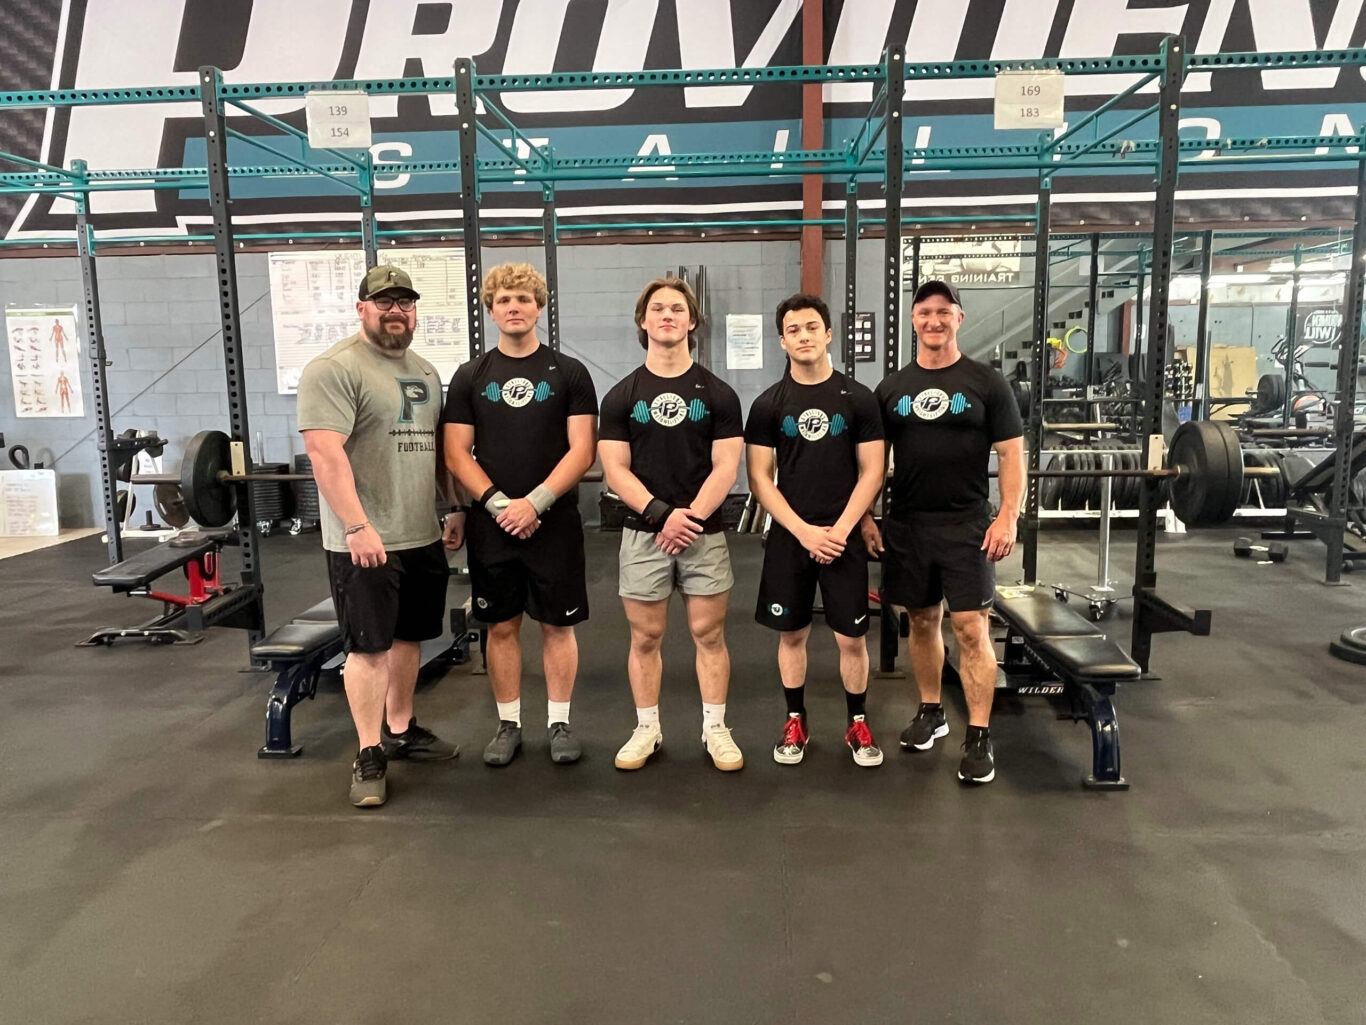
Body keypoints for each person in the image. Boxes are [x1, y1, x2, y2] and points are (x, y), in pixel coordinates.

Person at [297, 264, 463, 808]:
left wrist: (452, 507)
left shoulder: (425, 370)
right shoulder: (334, 369)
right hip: (365, 539)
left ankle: (401, 727)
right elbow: (325, 455)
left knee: (411, 637)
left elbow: (437, 452)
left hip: (420, 532)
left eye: (405, 303)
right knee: (367, 648)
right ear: (362, 308)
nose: (396, 311)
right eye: (385, 302)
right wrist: (357, 524)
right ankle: (368, 751)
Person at [863, 280, 1024, 785]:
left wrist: (1008, 515)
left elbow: (1012, 454)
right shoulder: (891, 389)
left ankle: (978, 735)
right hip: (909, 524)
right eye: (924, 312)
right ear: (913, 321)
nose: (934, 320)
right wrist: (868, 517)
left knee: (971, 628)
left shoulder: (987, 382)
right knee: (921, 621)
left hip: (967, 524)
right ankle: (931, 712)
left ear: (959, 317)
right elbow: (871, 463)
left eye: (944, 312)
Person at [442, 262, 598, 767]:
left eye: (524, 299)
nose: (514, 307)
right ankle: (508, 723)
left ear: (539, 307)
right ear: (490, 310)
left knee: (557, 625)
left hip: (553, 521)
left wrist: (536, 502)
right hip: (495, 524)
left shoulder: (569, 373)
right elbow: (456, 452)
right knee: (501, 626)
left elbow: (582, 449)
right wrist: (499, 504)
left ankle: (559, 722)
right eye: (504, 299)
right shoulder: (470, 376)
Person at [599, 277, 745, 772]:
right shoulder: (622, 395)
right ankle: (647, 729)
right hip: (645, 532)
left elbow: (727, 466)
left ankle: (716, 728)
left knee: (709, 632)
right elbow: (615, 468)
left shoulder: (719, 393)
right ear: (643, 322)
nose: (667, 315)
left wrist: (691, 518)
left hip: (703, 533)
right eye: (657, 308)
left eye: (677, 309)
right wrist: (662, 515)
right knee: (645, 637)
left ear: (691, 321)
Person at [745, 294, 886, 767]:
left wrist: (841, 529)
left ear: (828, 334)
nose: (803, 336)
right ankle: (795, 720)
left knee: (852, 638)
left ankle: (858, 722)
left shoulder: (858, 399)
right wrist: (804, 531)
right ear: (782, 340)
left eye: (811, 327)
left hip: (842, 536)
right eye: (793, 330)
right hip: (791, 535)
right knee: (792, 633)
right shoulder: (768, 405)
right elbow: (760, 479)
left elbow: (872, 471)